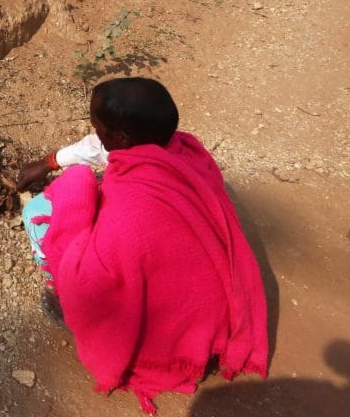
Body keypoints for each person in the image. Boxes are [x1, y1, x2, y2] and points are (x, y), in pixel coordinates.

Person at [17, 77, 268, 414]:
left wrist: (73, 194)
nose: (94, 131)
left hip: (168, 339)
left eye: (97, 126)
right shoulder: (184, 150)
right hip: (202, 316)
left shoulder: (132, 204)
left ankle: (62, 302)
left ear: (119, 138)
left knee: (46, 207)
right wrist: (48, 162)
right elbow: (99, 147)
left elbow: (94, 276)